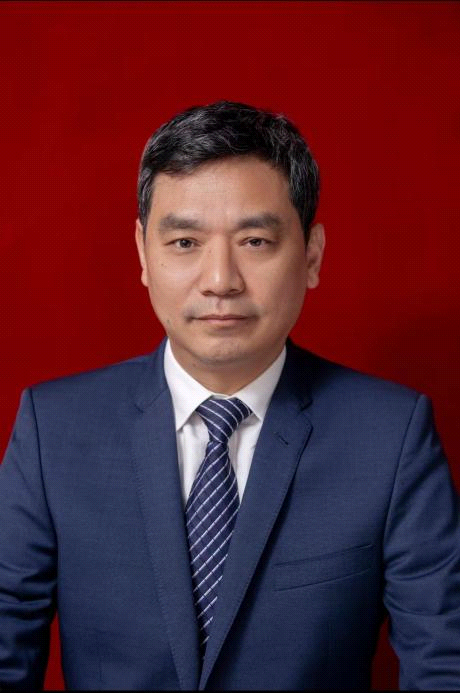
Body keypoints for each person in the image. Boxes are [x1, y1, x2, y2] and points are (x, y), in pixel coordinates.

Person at [0, 101, 459, 691]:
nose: (220, 280)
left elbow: (444, 663)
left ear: (311, 255)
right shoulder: (54, 431)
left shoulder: (391, 438)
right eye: (185, 242)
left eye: (256, 241)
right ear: (143, 254)